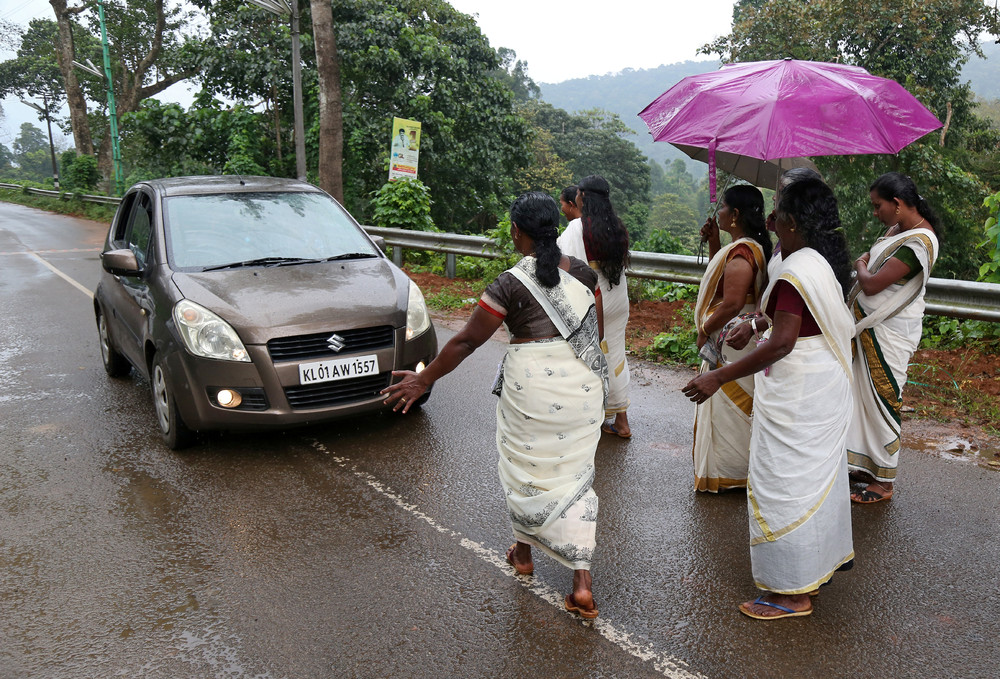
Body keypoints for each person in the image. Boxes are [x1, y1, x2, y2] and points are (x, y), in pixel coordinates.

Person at [381, 192, 609, 619]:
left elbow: (467, 341)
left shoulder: (508, 283)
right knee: (574, 476)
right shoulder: (584, 275)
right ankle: (580, 584)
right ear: (553, 230)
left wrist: (423, 378)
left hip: (531, 391)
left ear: (517, 232)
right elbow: (593, 335)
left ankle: (524, 555)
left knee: (526, 470)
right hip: (581, 387)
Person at [682, 178, 855, 620]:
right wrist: (756, 324)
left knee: (785, 484)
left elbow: (783, 343)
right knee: (810, 480)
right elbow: (784, 324)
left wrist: (718, 375)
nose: (772, 217)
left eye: (779, 209)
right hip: (819, 385)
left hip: (799, 389)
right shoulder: (815, 261)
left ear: (793, 221)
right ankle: (811, 572)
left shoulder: (797, 271)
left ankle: (790, 592)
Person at [847, 172, 940, 504]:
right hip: (868, 329)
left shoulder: (919, 242)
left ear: (898, 204)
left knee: (883, 401)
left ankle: (884, 483)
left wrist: (860, 263)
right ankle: (863, 467)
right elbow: (871, 271)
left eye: (878, 206)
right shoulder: (896, 231)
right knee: (860, 399)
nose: (875, 213)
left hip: (890, 332)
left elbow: (872, 283)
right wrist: (865, 266)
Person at [690, 185, 771, 492]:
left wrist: (703, 330)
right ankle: (737, 472)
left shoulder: (742, 252)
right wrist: (714, 242)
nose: (719, 212)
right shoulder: (743, 248)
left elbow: (733, 303)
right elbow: (726, 286)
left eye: (723, 207)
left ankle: (731, 473)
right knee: (731, 406)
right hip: (738, 335)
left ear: (735, 215)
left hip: (732, 337)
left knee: (728, 407)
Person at [557, 174, 632, 438]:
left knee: (589, 354)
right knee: (615, 354)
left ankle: (595, 415)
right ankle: (619, 419)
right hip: (618, 297)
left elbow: (570, 267)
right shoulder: (617, 226)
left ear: (583, 197)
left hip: (595, 297)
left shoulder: (577, 228)